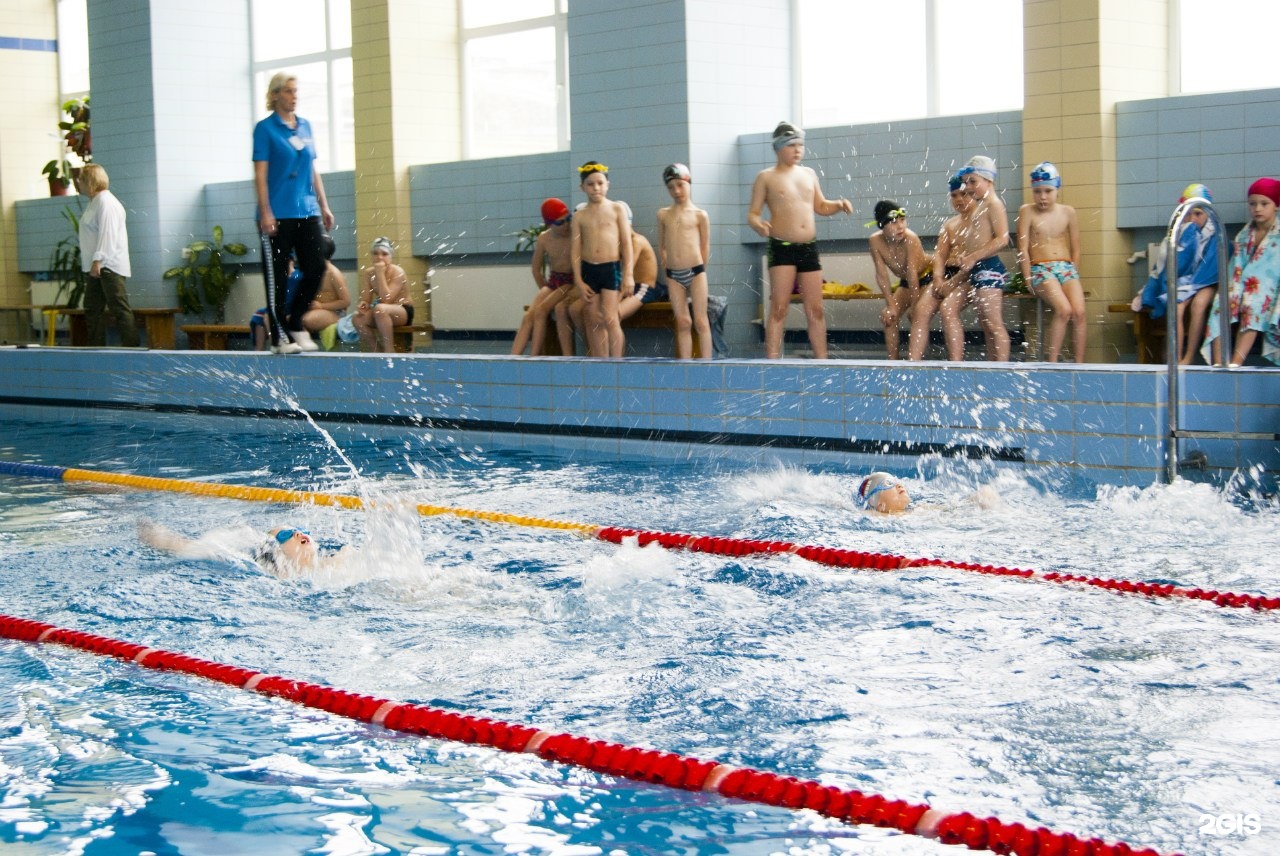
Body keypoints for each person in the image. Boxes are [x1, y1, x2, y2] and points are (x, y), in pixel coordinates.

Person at [748, 121, 853, 359]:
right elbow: (753, 213)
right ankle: (772, 362)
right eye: (791, 145)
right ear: (777, 148)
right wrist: (758, 224)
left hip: (808, 248)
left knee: (815, 309)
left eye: (800, 145)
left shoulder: (809, 174)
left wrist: (837, 205)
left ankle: (822, 360)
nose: (797, 150)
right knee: (779, 308)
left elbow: (820, 206)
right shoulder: (766, 177)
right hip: (781, 247)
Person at [253, 71, 335, 354]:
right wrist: (265, 212)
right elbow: (261, 175)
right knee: (278, 276)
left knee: (316, 266)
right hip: (277, 215)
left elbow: (312, 169)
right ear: (275, 94)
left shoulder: (306, 127)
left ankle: (296, 321)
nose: (294, 96)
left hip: (307, 210)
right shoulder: (265, 129)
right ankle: (278, 337)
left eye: (296, 91)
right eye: (288, 91)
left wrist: (324, 205)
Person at [1131, 183, 1219, 365]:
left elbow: (1211, 266)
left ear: (1208, 212)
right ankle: (1175, 357)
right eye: (1188, 213)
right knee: (1176, 308)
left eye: (1198, 213)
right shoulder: (1180, 232)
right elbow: (1168, 262)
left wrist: (1192, 283)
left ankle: (1189, 355)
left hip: (1208, 282)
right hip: (1187, 281)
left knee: (1199, 306)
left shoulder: (1215, 233)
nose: (1192, 218)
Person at [1204, 177, 1280, 367]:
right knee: (1221, 302)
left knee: (1252, 303)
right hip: (1245, 281)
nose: (1258, 209)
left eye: (1264, 204)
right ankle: (1219, 361)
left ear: (1276, 206)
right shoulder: (1245, 234)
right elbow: (1236, 265)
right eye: (1253, 204)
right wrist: (1232, 288)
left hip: (1271, 287)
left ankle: (1236, 361)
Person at [1016, 162, 1085, 362]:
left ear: (1057, 190)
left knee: (1080, 313)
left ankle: (1080, 365)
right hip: (1040, 269)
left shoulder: (1068, 212)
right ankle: (1052, 362)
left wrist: (1074, 273)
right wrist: (1027, 276)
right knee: (1064, 310)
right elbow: (1023, 248)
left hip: (1066, 267)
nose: (1043, 196)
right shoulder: (1027, 211)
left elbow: (1076, 247)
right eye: (1037, 192)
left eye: (1048, 191)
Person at [138, 521, 350, 579]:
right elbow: (189, 548)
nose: (297, 534)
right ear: (277, 552)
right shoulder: (279, 576)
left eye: (300, 530)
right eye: (286, 535)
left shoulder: (333, 563)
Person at [572, 161, 633, 357]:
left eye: (600, 183)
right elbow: (575, 251)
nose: (596, 188)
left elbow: (626, 244)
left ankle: (617, 362)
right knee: (594, 320)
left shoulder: (616, 210)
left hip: (611, 269)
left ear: (608, 184)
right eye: (590, 184)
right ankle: (601, 364)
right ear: (582, 187)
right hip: (589, 270)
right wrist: (579, 281)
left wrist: (628, 274)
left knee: (611, 318)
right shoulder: (579, 216)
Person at [76, 163, 140, 348]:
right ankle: (96, 348)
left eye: (81, 180)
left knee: (119, 308)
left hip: (108, 265)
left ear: (90, 181)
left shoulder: (106, 202)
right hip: (97, 266)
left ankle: (133, 348)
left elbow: (108, 233)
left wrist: (99, 259)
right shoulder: (94, 202)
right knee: (92, 307)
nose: (78, 183)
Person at [956, 155, 1013, 361]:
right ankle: (992, 366)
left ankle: (1002, 369)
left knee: (994, 323)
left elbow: (1002, 239)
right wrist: (968, 256)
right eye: (966, 182)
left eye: (973, 182)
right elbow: (979, 239)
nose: (968, 187)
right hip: (979, 269)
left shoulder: (994, 204)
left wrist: (973, 257)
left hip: (989, 268)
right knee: (986, 324)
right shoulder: (982, 205)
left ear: (989, 181)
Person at [914, 174, 974, 361]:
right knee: (921, 309)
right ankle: (912, 363)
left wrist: (952, 283)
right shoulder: (950, 224)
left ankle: (956, 364)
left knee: (948, 308)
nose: (959, 199)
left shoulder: (980, 221)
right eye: (954, 195)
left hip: (970, 277)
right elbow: (940, 256)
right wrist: (939, 279)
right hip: (948, 274)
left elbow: (974, 262)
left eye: (963, 194)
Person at [656, 163, 712, 360]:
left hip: (696, 272)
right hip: (673, 274)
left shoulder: (700, 215)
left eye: (680, 185)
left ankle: (708, 365)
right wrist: (667, 264)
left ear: (689, 184)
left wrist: (700, 268)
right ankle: (686, 366)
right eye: (671, 187)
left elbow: (705, 246)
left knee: (701, 321)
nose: (676, 191)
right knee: (682, 321)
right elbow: (661, 245)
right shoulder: (663, 214)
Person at [512, 199, 576, 357]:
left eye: (568, 219)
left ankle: (535, 357)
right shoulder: (544, 238)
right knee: (529, 316)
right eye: (561, 223)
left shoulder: (575, 233)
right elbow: (535, 270)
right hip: (554, 281)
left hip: (571, 281)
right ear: (549, 224)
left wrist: (551, 298)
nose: (566, 225)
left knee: (541, 310)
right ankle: (511, 360)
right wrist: (546, 292)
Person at [867, 200, 928, 360]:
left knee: (918, 315)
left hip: (927, 279)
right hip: (906, 283)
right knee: (889, 317)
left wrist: (914, 305)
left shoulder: (911, 239)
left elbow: (913, 274)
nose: (901, 226)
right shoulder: (875, 241)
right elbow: (881, 275)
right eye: (894, 222)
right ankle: (892, 362)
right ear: (882, 225)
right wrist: (890, 305)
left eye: (902, 220)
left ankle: (914, 362)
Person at [353, 236, 413, 353]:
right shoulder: (369, 273)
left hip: (403, 311)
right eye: (375, 253)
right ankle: (377, 351)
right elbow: (365, 299)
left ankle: (389, 351)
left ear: (391, 256)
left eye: (384, 254)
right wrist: (363, 304)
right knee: (357, 319)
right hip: (382, 312)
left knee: (380, 309)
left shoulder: (398, 272)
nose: (379, 257)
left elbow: (387, 299)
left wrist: (379, 273)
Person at [301, 234, 351, 349]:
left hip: (335, 313)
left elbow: (346, 301)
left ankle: (307, 350)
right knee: (290, 318)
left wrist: (321, 305)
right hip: (318, 311)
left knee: (305, 320)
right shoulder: (313, 271)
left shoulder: (333, 273)